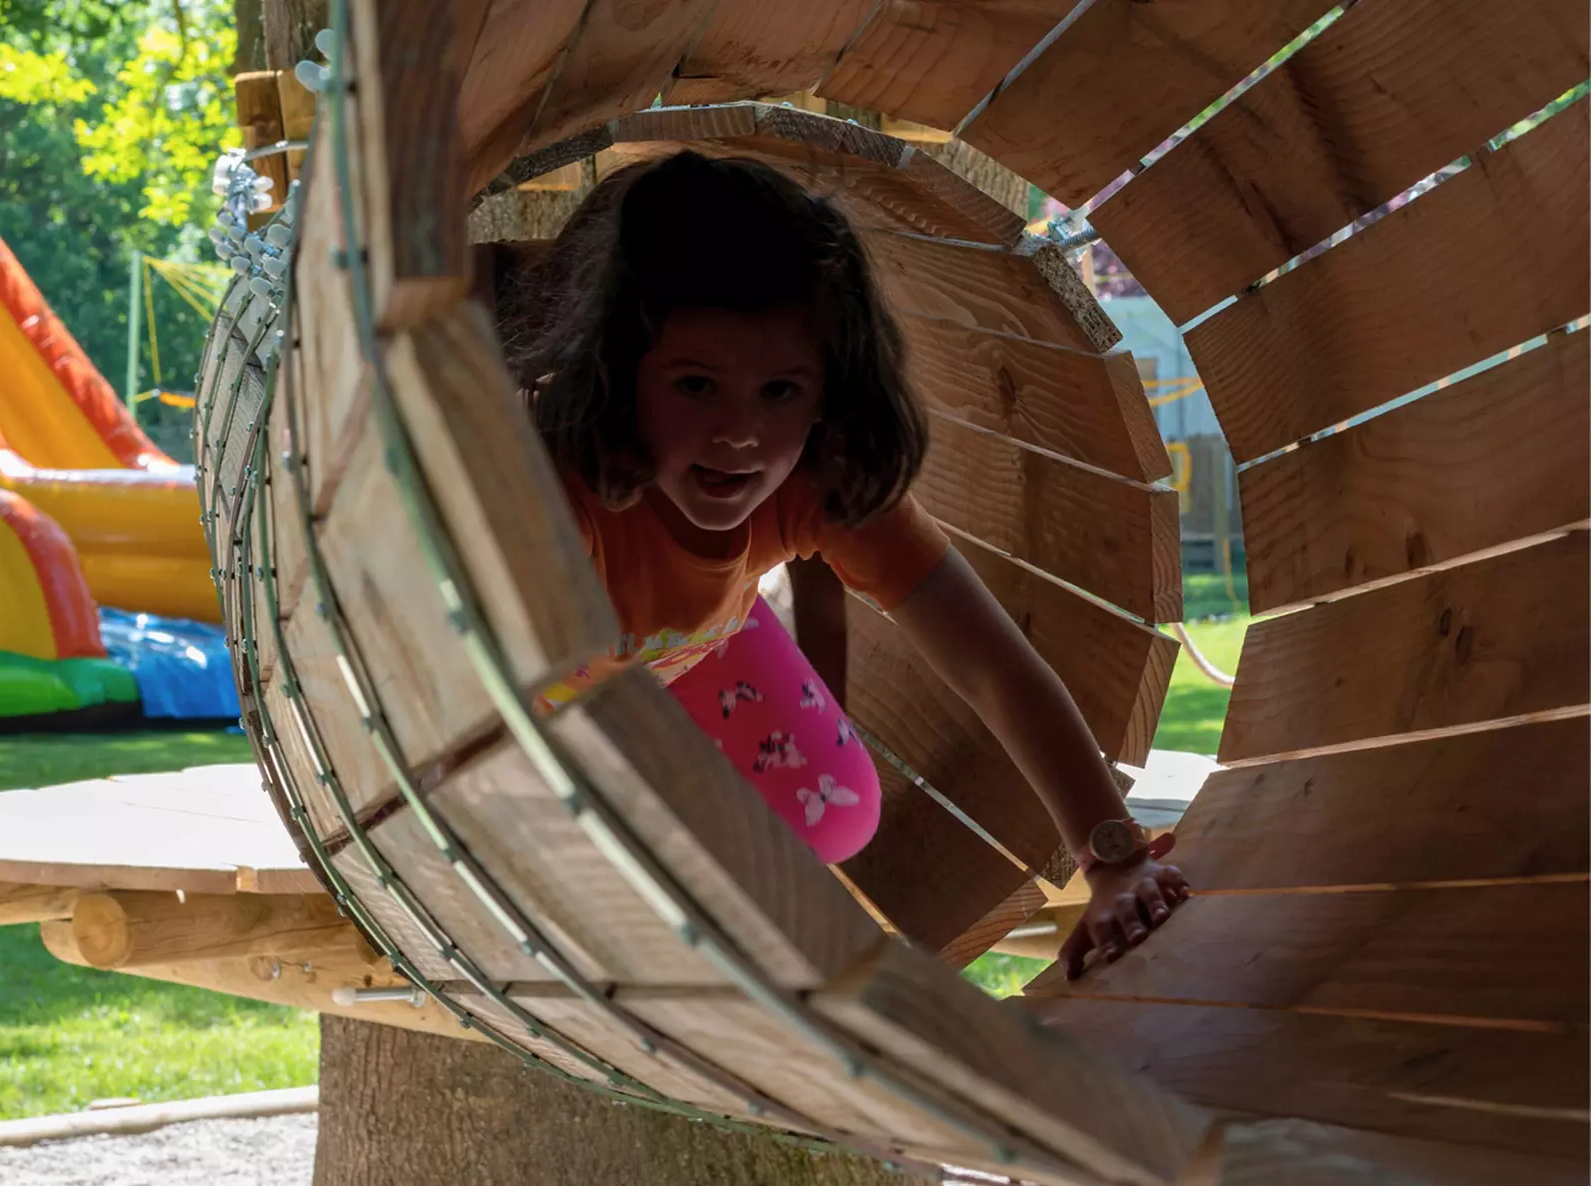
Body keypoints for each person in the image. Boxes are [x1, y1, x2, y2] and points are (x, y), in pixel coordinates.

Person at [506, 150, 1187, 979]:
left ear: (830, 391)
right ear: (615, 373)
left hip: (678, 645)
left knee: (833, 814)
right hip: (529, 692)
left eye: (781, 391)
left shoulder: (816, 481)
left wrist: (1112, 858)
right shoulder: (549, 495)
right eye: (694, 385)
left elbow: (990, 663)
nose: (740, 434)